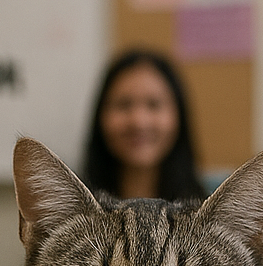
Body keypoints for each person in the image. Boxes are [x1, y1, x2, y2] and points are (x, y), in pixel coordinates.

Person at [83, 49, 203, 201]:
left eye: (154, 105)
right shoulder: (70, 213)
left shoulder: (208, 211)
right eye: (124, 105)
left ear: (178, 115)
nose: (139, 122)